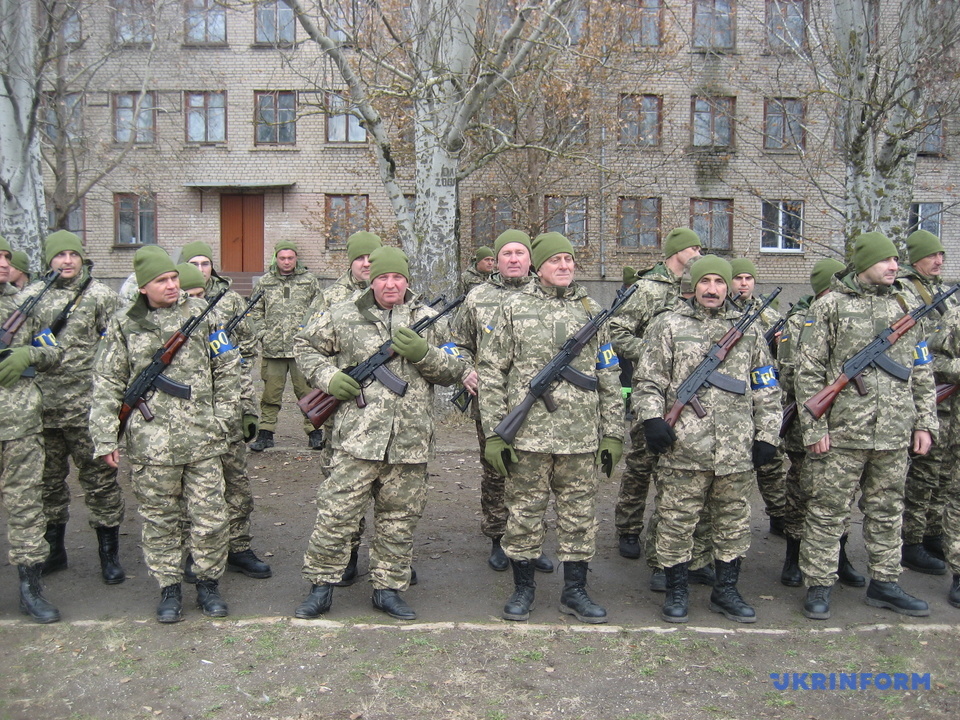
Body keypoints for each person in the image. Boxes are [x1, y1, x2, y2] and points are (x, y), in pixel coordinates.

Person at [293, 246, 467, 621]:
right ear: (371, 280)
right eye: (383, 277)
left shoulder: (429, 319)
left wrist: (424, 354)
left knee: (398, 521)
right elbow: (304, 346)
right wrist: (329, 377)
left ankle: (388, 590)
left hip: (409, 442)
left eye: (398, 277)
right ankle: (321, 587)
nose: (391, 284)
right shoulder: (342, 312)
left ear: (407, 280)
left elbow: (457, 368)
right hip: (356, 440)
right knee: (336, 516)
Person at [90, 246, 242, 623]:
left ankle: (208, 585)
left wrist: (224, 419)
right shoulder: (124, 324)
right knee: (160, 521)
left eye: (174, 278)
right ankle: (169, 588)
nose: (173, 285)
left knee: (210, 517)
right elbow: (107, 383)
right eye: (162, 280)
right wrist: (105, 437)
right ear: (143, 287)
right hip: (150, 444)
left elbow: (227, 368)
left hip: (203, 438)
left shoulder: (202, 314)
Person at [478, 232, 623, 624]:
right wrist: (495, 433)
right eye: (555, 260)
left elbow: (609, 373)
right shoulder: (511, 307)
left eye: (569, 259)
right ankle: (523, 589)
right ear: (538, 266)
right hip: (528, 435)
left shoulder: (592, 310)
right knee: (524, 513)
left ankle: (575, 591)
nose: (564, 265)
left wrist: (613, 432)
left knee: (580, 516)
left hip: (580, 436)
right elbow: (491, 373)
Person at [795, 232, 937, 620]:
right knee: (828, 511)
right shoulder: (830, 306)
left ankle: (885, 583)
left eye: (896, 260)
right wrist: (814, 429)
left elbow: (921, 370)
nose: (894, 266)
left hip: (893, 431)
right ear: (863, 264)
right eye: (885, 260)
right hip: (842, 433)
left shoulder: (905, 305)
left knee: (888, 510)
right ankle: (819, 584)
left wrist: (924, 423)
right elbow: (808, 371)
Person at [634, 255, 780, 624]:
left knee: (733, 523)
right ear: (693, 285)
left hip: (736, 449)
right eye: (705, 281)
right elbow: (648, 381)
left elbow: (766, 386)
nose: (712, 289)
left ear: (728, 287)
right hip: (683, 448)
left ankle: (726, 591)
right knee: (676, 522)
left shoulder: (748, 330)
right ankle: (677, 590)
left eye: (719, 282)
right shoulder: (668, 324)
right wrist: (652, 419)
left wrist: (767, 435)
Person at [609, 227, 711, 593]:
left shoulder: (703, 283)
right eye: (692, 247)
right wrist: (655, 353)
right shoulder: (648, 289)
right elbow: (615, 330)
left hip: (695, 399)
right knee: (641, 464)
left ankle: (679, 548)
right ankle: (628, 527)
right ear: (675, 251)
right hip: (651, 391)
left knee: (681, 476)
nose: (698, 252)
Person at [450, 229, 553, 574]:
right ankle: (498, 535)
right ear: (496, 260)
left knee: (536, 471)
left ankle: (531, 539)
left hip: (538, 402)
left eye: (519, 253)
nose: (513, 259)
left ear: (530, 259)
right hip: (491, 398)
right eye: (506, 253)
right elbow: (456, 343)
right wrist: (465, 370)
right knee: (496, 469)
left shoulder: (548, 293)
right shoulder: (478, 297)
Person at [26, 231, 126, 585]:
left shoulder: (101, 296)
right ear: (48, 260)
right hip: (43, 410)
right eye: (59, 255)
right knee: (48, 484)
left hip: (87, 410)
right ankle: (55, 550)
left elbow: (118, 346)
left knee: (100, 482)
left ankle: (109, 556)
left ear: (82, 258)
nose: (66, 261)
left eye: (73, 254)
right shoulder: (31, 298)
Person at [179, 242, 270, 580]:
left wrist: (247, 408)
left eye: (205, 263)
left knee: (236, 482)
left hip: (228, 411)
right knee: (190, 488)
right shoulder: (164, 314)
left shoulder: (226, 306)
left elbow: (240, 362)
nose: (200, 270)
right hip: (186, 417)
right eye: (193, 264)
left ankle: (238, 547)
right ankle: (196, 550)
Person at [297, 230, 382, 584]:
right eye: (360, 258)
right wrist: (330, 379)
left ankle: (390, 560)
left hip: (389, 414)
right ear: (350, 261)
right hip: (344, 408)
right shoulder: (330, 297)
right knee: (344, 488)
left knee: (391, 489)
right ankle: (347, 553)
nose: (367, 264)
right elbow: (308, 346)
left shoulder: (393, 292)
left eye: (372, 258)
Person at [777, 257, 865, 589]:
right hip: (806, 421)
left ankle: (839, 556)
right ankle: (793, 555)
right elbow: (788, 374)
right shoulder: (800, 321)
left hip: (844, 423)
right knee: (802, 490)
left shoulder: (852, 316)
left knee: (842, 493)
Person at [0, 235, 64, 623]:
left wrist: (28, 353)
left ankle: (31, 589)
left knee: (26, 507)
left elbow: (54, 352)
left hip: (20, 423)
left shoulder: (23, 306)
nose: (3, 263)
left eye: (6, 257)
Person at [897, 229, 955, 575]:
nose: (939, 260)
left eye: (941, 255)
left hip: (949, 400)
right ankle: (912, 540)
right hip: (926, 394)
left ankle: (933, 532)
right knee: (923, 472)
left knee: (943, 472)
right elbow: (916, 348)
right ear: (916, 257)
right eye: (932, 255)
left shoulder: (940, 290)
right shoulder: (905, 291)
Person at [728, 258, 788, 536]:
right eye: (738, 278)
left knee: (772, 461)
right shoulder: (722, 311)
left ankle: (779, 514)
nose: (743, 283)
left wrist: (777, 344)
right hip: (732, 395)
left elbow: (782, 358)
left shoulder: (769, 315)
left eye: (748, 278)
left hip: (762, 393)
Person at [248, 241, 320, 452]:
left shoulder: (309, 281)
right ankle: (266, 433)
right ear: (276, 259)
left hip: (301, 349)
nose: (286, 262)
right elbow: (254, 311)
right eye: (282, 258)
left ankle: (315, 432)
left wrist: (311, 334)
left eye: (290, 258)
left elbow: (319, 309)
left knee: (307, 392)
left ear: (296, 258)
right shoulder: (265, 282)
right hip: (273, 350)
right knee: (270, 394)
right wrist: (263, 334)